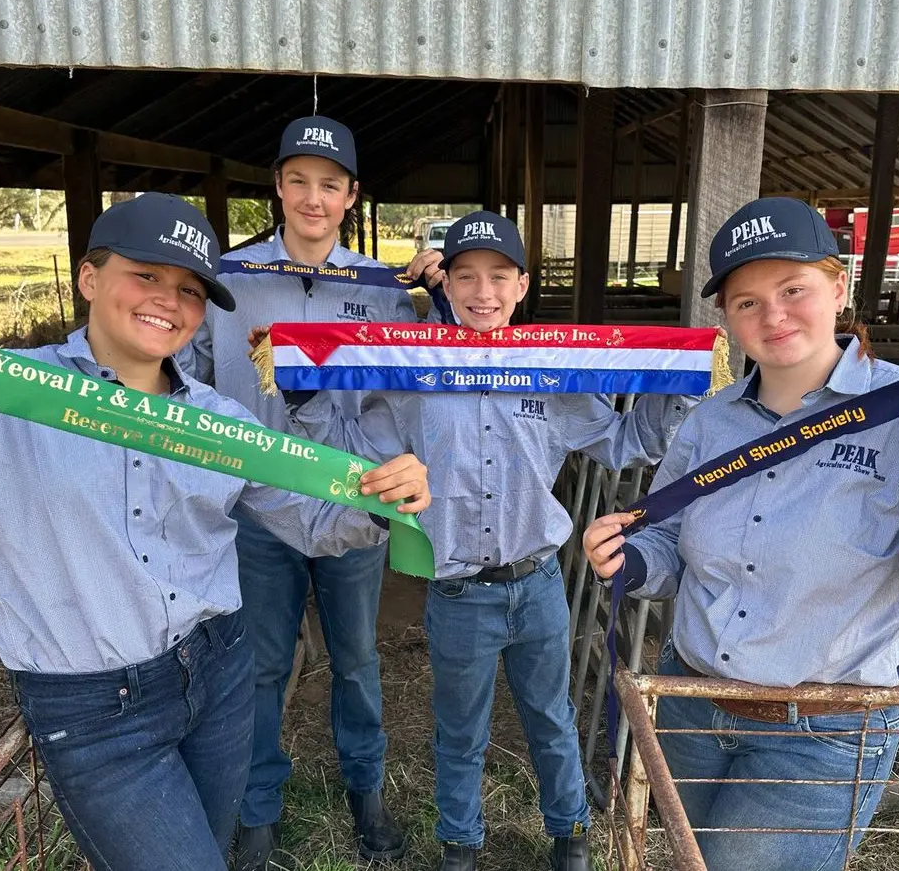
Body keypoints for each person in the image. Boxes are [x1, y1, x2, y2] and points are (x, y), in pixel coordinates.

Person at [0, 193, 431, 871]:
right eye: (146, 275)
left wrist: (383, 501)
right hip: (97, 711)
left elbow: (309, 521)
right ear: (89, 278)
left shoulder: (222, 423)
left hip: (217, 672)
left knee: (209, 851)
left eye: (189, 289)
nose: (170, 300)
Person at [582, 196, 899, 871]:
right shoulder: (709, 421)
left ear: (839, 286)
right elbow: (669, 542)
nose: (773, 315)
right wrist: (629, 561)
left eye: (794, 289)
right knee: (681, 859)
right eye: (746, 302)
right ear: (727, 319)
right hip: (692, 702)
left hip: (824, 728)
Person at [278, 211, 695, 871]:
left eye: (499, 276)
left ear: (522, 285)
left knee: (551, 717)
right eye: (467, 275)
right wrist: (302, 390)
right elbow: (353, 447)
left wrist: (673, 379)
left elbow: (624, 442)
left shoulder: (549, 373)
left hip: (536, 585)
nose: (483, 291)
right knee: (460, 731)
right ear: (448, 283)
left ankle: (571, 834)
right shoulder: (414, 371)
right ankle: (461, 843)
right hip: (460, 592)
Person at [177, 114, 444, 869]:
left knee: (357, 659)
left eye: (330, 184)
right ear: (279, 186)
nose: (313, 197)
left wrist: (443, 293)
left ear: (352, 195)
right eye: (299, 180)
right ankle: (257, 804)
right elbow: (187, 376)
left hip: (353, 509)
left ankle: (367, 791)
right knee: (260, 663)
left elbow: (419, 386)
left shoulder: (386, 290)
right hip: (260, 509)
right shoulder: (230, 281)